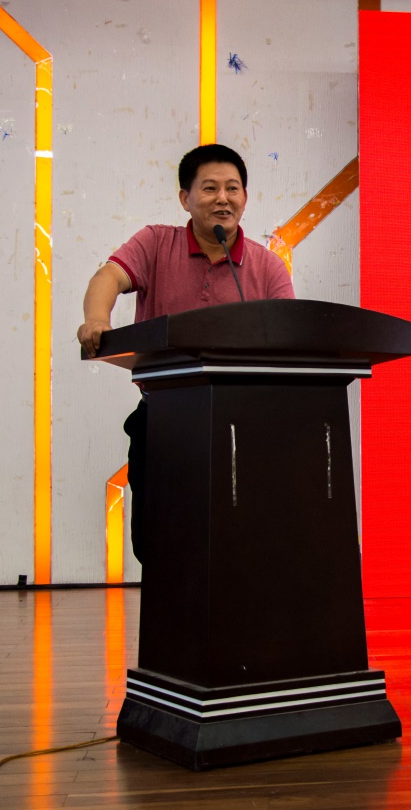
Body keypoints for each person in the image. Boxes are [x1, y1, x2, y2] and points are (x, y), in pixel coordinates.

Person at [77, 144, 295, 561]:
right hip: (165, 419)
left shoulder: (268, 267)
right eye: (209, 188)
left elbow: (289, 337)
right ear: (185, 198)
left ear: (245, 197)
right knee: (159, 543)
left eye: (233, 188)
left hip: (244, 425)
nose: (223, 198)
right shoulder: (157, 243)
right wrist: (96, 319)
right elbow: (109, 276)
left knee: (239, 544)